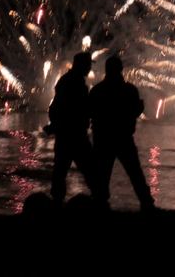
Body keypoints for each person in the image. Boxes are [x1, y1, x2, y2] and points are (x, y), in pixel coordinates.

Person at [89, 55, 155, 211]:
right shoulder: (129, 89)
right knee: (135, 174)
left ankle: (101, 204)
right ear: (120, 70)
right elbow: (136, 110)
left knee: (102, 176)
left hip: (103, 139)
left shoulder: (97, 90)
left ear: (107, 70)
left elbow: (89, 111)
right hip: (123, 138)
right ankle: (147, 204)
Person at [48, 52, 95, 206]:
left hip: (67, 134)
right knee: (89, 170)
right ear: (81, 65)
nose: (89, 68)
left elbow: (55, 108)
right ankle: (99, 202)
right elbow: (65, 108)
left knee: (61, 171)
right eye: (88, 64)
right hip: (74, 135)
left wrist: (55, 126)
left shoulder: (69, 80)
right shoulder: (73, 82)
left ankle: (57, 203)